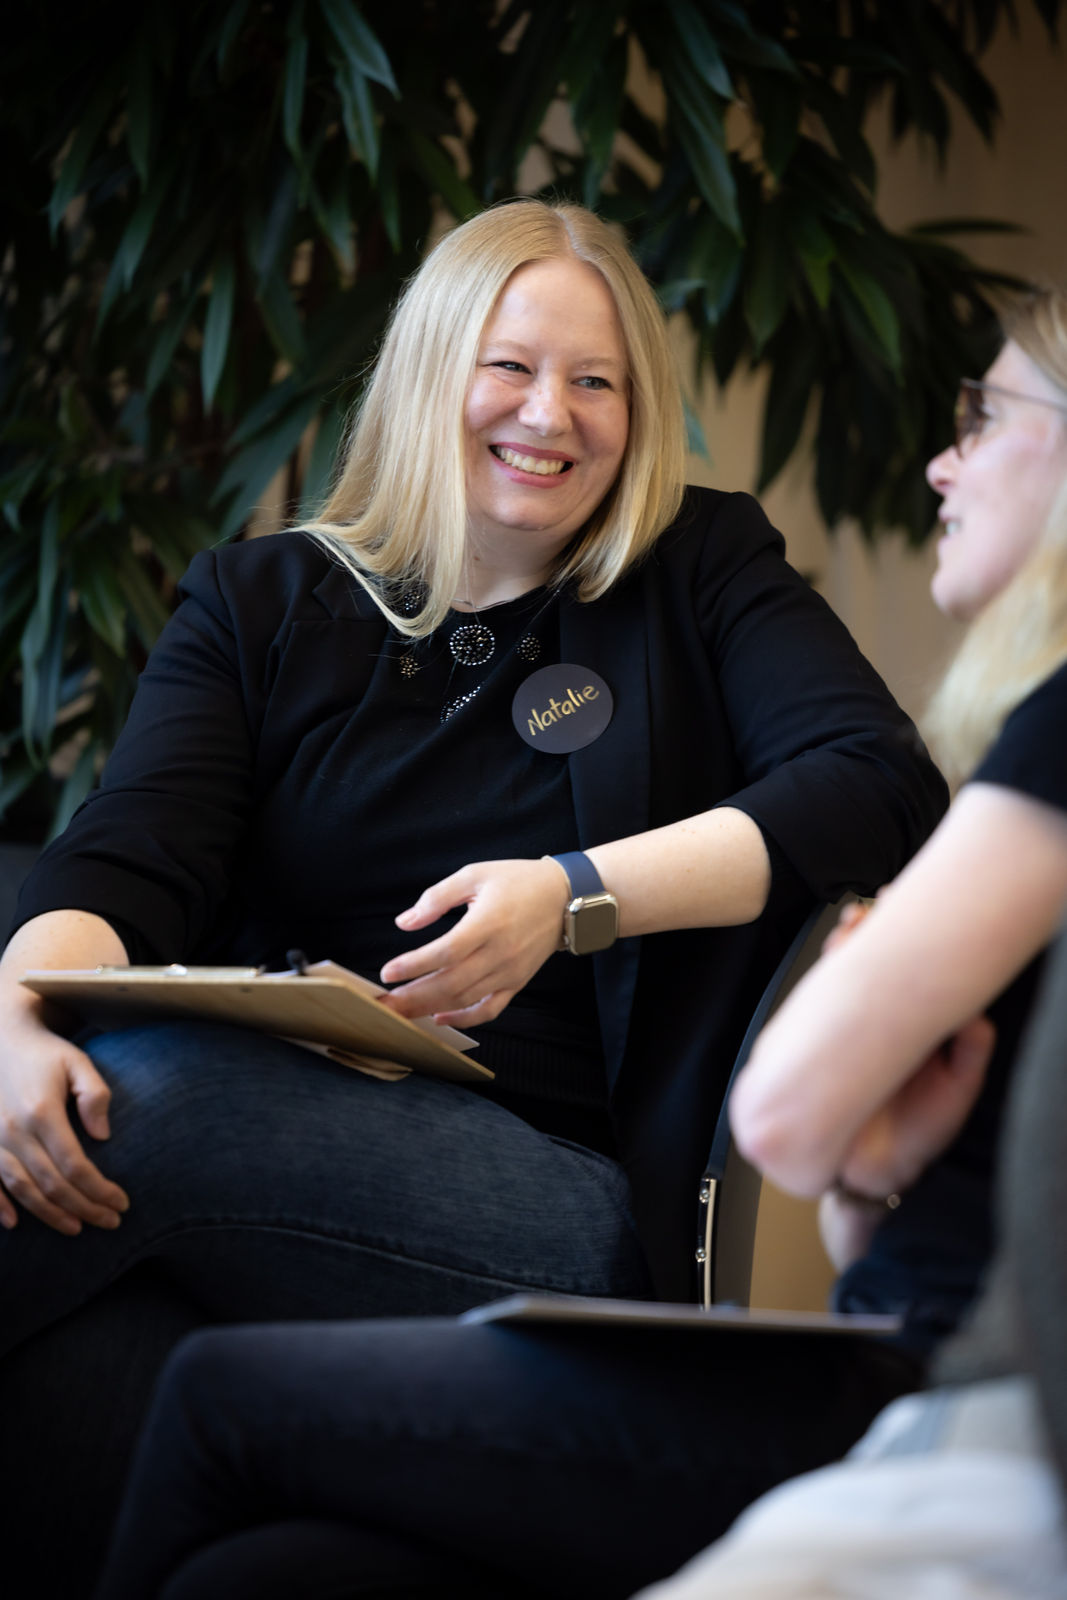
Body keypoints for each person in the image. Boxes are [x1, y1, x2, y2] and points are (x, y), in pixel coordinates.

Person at [0, 201, 943, 1589]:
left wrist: (575, 894)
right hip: (264, 1163)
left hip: (567, 1196)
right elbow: (128, 855)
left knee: (150, 1098)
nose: (549, 414)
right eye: (510, 367)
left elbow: (876, 781)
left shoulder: (700, 570)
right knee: (92, 1349)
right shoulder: (258, 603)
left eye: (596, 381)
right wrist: (17, 1021)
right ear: (432, 372)